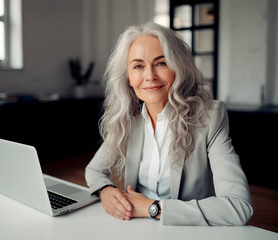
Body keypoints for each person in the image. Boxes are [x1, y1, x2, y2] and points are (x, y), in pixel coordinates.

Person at [85, 22, 253, 226]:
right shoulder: (128, 117)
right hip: (137, 226)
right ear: (128, 78)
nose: (149, 76)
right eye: (138, 66)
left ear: (178, 68)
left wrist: (152, 208)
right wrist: (106, 191)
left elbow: (238, 206)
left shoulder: (209, 117)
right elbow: (94, 170)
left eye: (161, 63)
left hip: (187, 230)